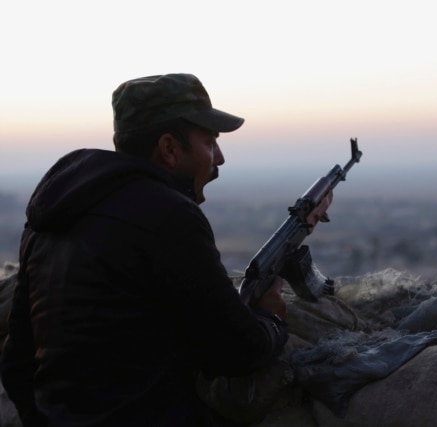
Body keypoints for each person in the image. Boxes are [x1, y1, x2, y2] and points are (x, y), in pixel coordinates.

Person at [0, 73, 331, 427]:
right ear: (170, 148)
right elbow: (238, 352)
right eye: (209, 142)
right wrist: (272, 317)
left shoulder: (50, 215)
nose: (219, 158)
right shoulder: (168, 214)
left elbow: (17, 361)